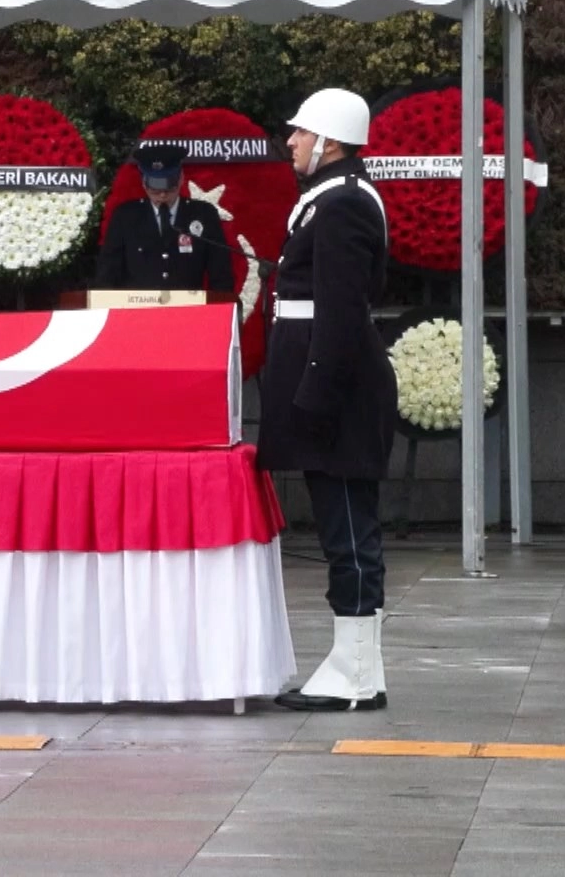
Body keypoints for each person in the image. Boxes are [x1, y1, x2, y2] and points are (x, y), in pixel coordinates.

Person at [257, 88, 395, 712]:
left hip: (337, 396)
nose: (291, 141)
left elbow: (339, 313)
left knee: (347, 531)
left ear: (330, 141)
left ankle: (355, 675)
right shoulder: (331, 198)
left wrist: (313, 396)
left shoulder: (343, 204)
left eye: (302, 132)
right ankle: (359, 667)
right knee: (345, 527)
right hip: (331, 390)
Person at [95, 143, 234, 294]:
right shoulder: (125, 216)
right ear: (144, 183)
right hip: (138, 307)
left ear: (181, 179)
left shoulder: (203, 214)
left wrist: (222, 305)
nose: (162, 195)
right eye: (155, 190)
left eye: (169, 188)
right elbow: (107, 275)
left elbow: (221, 276)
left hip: (189, 307)